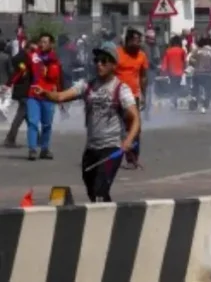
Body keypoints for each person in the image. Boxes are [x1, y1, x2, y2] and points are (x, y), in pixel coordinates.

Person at [35, 41, 141, 202]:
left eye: (104, 61)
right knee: (93, 192)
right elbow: (61, 96)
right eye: (97, 60)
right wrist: (45, 93)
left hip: (111, 148)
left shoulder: (121, 89)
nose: (99, 64)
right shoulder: (87, 85)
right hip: (91, 148)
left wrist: (128, 141)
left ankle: (103, 214)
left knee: (99, 191)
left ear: (113, 65)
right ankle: (108, 212)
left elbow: (135, 118)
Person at [25, 33, 62, 160]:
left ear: (51, 44)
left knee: (47, 124)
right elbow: (22, 67)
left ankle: (45, 149)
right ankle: (32, 149)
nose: (42, 44)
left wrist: (59, 95)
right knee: (32, 123)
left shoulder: (55, 60)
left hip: (48, 95)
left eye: (45, 42)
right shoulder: (34, 56)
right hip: (33, 94)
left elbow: (57, 79)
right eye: (41, 41)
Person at [3, 41, 34, 148]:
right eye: (32, 50)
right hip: (24, 90)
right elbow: (20, 72)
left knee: (27, 115)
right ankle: (10, 139)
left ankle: (37, 137)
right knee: (21, 115)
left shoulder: (23, 57)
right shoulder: (22, 58)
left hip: (23, 89)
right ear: (27, 48)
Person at [116, 29, 150, 118]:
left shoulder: (142, 56)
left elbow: (143, 77)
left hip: (134, 95)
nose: (138, 44)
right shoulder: (117, 53)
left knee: (135, 121)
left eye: (139, 41)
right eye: (136, 41)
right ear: (128, 41)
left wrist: (144, 95)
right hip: (117, 95)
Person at [161, 35, 188, 108]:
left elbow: (165, 62)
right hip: (179, 72)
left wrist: (163, 71)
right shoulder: (182, 51)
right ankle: (174, 101)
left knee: (173, 86)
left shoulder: (168, 51)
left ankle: (173, 101)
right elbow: (185, 62)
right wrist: (185, 69)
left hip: (171, 72)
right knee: (177, 86)